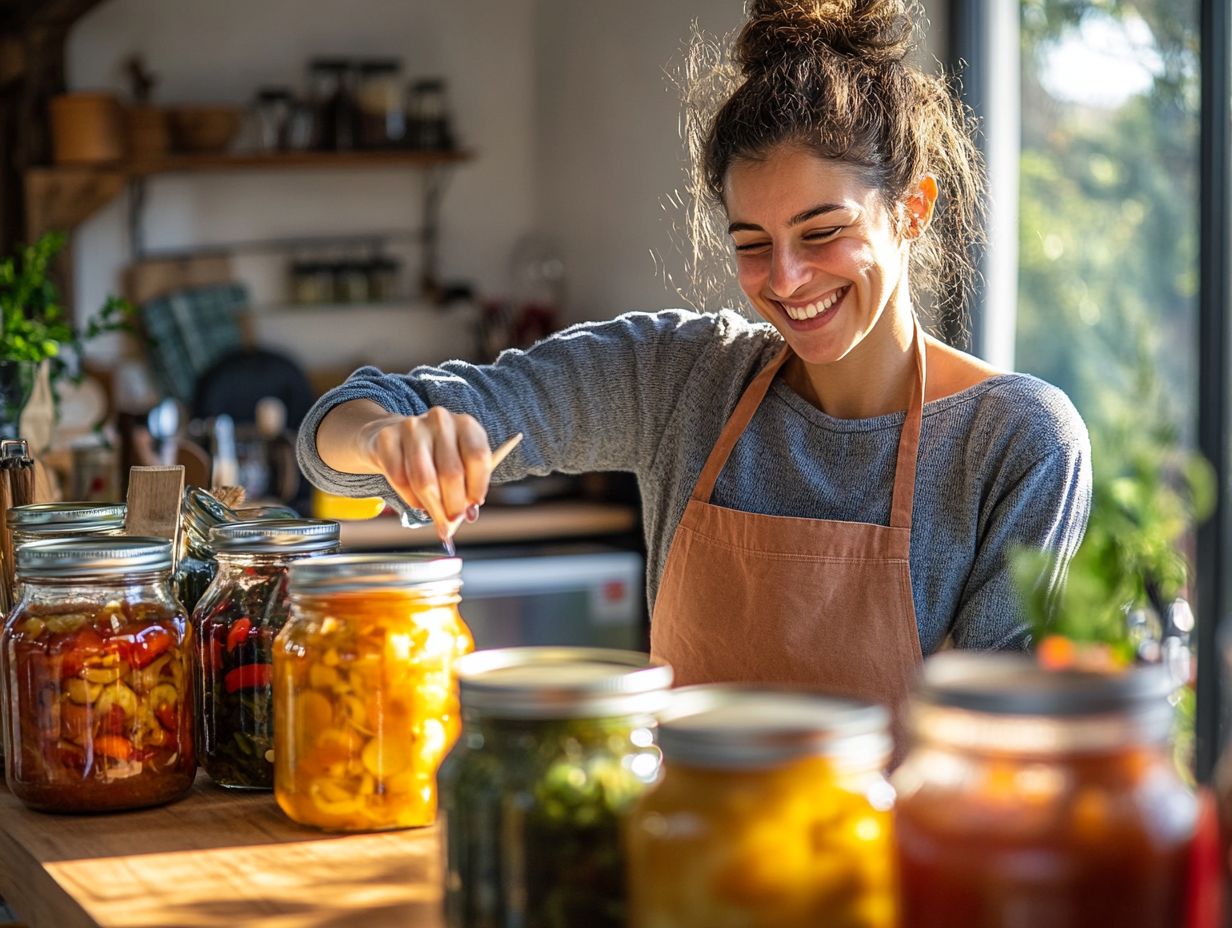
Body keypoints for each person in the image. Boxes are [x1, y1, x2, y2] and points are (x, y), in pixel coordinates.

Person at [297, 0, 1091, 714]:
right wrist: (384, 440)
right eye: (753, 244)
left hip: (887, 874)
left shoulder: (1017, 442)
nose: (784, 279)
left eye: (822, 233)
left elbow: (995, 753)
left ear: (912, 209)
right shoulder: (682, 378)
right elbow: (334, 433)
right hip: (682, 856)